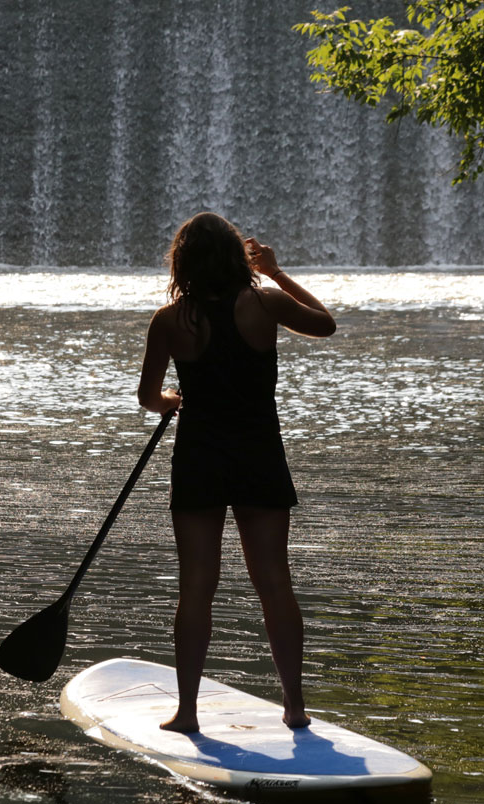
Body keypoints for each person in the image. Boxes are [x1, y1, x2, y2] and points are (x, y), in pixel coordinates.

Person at [137, 212, 335, 732]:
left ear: (182, 264)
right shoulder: (264, 302)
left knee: (196, 587)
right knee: (274, 581)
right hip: (259, 454)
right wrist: (275, 272)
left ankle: (188, 713)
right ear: (236, 258)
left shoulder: (169, 321)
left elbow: (148, 398)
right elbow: (325, 322)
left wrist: (171, 401)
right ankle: (293, 707)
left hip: (200, 456)